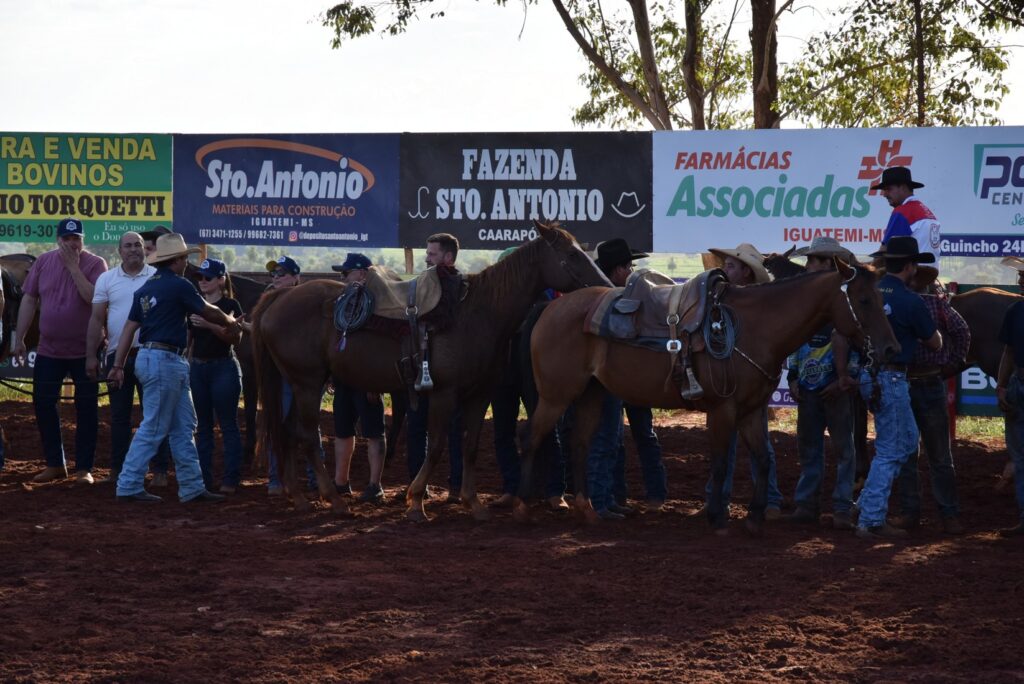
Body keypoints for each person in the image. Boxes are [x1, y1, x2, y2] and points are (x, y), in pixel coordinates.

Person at [109, 233, 241, 503]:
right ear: (177, 260)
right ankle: (129, 483)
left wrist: (118, 364)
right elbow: (207, 310)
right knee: (156, 426)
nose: (186, 264)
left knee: (183, 425)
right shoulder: (180, 286)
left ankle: (192, 486)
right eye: (185, 259)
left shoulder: (145, 288)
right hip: (167, 360)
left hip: (156, 358)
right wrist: (230, 321)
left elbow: (129, 328)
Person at [855, 237, 942, 539]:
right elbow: (934, 341)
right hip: (892, 376)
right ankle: (871, 519)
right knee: (894, 448)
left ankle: (865, 504)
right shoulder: (911, 300)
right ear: (909, 266)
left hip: (870, 374)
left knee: (903, 442)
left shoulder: (870, 292)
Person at [14, 217, 107, 484]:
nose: (71, 243)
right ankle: (56, 463)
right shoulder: (43, 262)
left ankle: (84, 469)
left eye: (76, 238)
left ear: (83, 239)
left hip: (85, 350)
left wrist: (73, 268)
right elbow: (29, 299)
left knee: (87, 407)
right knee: (43, 403)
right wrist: (19, 337)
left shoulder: (95, 264)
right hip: (49, 348)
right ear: (58, 240)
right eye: (66, 239)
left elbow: (93, 298)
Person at [584, 238, 669, 521]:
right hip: (622, 376)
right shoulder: (617, 299)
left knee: (612, 438)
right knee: (615, 436)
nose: (631, 271)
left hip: (615, 376)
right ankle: (606, 500)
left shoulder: (599, 298)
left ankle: (609, 498)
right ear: (618, 270)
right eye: (628, 266)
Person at [702, 242, 783, 519]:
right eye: (726, 264)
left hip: (744, 383)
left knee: (752, 442)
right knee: (741, 442)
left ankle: (761, 498)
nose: (725, 268)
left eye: (732, 265)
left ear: (747, 273)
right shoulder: (722, 297)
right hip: (727, 380)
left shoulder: (754, 305)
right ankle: (756, 499)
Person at [888, 269, 970, 535]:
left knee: (917, 454)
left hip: (907, 380)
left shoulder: (902, 302)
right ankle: (948, 515)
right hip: (927, 381)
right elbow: (961, 331)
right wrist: (954, 362)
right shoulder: (936, 304)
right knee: (936, 455)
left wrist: (955, 362)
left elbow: (961, 331)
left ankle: (916, 513)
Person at [783, 237, 858, 530]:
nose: (807, 265)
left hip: (832, 385)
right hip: (815, 385)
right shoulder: (807, 298)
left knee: (842, 449)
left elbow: (855, 338)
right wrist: (792, 376)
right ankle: (812, 505)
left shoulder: (843, 298)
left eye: (813, 260)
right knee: (812, 447)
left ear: (828, 264)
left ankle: (836, 506)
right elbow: (793, 338)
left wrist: (846, 378)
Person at [85, 231, 156, 483]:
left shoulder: (156, 277)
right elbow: (96, 320)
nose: (134, 249)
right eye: (128, 245)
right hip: (117, 359)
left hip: (151, 356)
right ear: (119, 251)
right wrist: (91, 355)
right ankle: (118, 471)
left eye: (138, 245)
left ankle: (158, 472)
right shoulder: (106, 279)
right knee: (119, 417)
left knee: (154, 415)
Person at [261, 254, 327, 496]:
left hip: (306, 372)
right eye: (274, 274)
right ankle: (278, 478)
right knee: (280, 422)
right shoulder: (267, 301)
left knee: (307, 422)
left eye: (282, 273)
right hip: (281, 373)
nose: (276, 278)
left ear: (296, 277)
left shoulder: (306, 304)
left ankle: (312, 478)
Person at [406, 233, 464, 501]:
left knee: (453, 429)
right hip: (421, 368)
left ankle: (457, 486)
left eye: (432, 254)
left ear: (448, 257)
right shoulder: (418, 287)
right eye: (427, 253)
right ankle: (416, 484)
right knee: (417, 426)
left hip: (450, 374)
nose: (426, 258)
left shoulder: (462, 291)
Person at [330, 252, 387, 503]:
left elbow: (382, 345)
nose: (342, 278)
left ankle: (375, 485)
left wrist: (376, 380)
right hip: (344, 375)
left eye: (346, 273)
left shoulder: (380, 303)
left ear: (362, 273)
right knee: (342, 430)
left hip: (367, 378)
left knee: (373, 432)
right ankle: (340, 482)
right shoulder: (342, 301)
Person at [189, 258, 244, 493]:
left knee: (228, 424)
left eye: (207, 277)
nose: (202, 281)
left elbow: (235, 339)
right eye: (200, 277)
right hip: (199, 367)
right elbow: (189, 339)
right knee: (203, 426)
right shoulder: (194, 303)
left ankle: (231, 479)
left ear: (221, 280)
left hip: (223, 366)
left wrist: (209, 325)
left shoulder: (231, 304)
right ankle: (204, 478)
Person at [139, 224, 175, 486]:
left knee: (178, 423)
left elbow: (130, 323)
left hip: (156, 355)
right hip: (162, 357)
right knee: (157, 420)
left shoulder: (150, 283)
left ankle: (188, 480)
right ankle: (132, 476)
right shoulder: (170, 283)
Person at [996, 257, 1024, 537]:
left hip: (1018, 383)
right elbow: (1008, 353)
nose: (1020, 281)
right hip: (1018, 383)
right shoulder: (1015, 310)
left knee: (1020, 454)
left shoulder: (1016, 311)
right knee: (1019, 454)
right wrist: (1002, 385)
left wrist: (1003, 385)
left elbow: (1008, 353)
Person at [875, 166, 942, 275]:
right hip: (930, 276)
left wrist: (868, 271)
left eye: (888, 189)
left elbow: (884, 251)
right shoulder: (927, 212)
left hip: (911, 277)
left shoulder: (902, 212)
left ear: (903, 187)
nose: (884, 194)